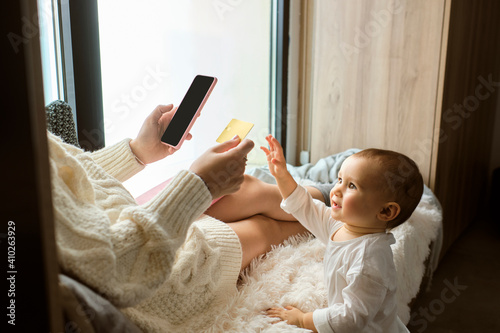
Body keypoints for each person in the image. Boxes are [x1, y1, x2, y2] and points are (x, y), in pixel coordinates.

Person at [49, 104, 314, 332]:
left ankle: (330, 195)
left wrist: (137, 150)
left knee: (246, 188)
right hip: (156, 277)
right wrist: (198, 186)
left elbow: (70, 176)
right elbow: (120, 266)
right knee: (265, 228)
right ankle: (337, 207)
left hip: (134, 221)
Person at [262, 135, 423, 332]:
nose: (336, 190)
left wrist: (303, 320)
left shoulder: (369, 260)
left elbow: (351, 319)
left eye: (351, 186)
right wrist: (282, 175)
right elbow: (305, 206)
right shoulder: (340, 225)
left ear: (385, 211)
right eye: (339, 179)